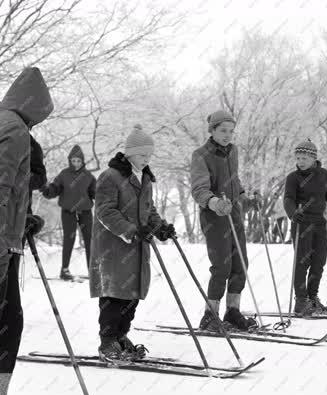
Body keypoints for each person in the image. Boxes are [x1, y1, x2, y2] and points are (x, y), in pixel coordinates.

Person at [89, 125, 175, 362]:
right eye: (142, 155)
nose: (146, 159)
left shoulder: (145, 177)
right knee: (115, 294)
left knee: (132, 295)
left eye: (149, 155)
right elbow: (105, 211)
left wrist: (160, 228)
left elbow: (149, 210)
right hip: (115, 247)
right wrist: (130, 231)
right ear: (128, 153)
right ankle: (108, 342)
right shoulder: (110, 177)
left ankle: (121, 336)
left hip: (137, 247)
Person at [0, 67, 53, 395]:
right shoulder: (16, 131)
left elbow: (12, 191)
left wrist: (23, 219)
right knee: (7, 325)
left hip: (7, 238)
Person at [190, 110, 257, 332]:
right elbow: (199, 190)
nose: (227, 135)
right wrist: (215, 203)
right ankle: (210, 315)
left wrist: (244, 197)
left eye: (231, 131)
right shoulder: (201, 155)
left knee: (240, 264)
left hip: (233, 213)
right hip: (214, 216)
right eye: (222, 130)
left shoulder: (233, 151)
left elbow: (234, 179)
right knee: (222, 266)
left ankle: (232, 311)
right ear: (212, 130)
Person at [283, 139, 327, 316]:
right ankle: (301, 301)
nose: (300, 162)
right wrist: (292, 213)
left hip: (319, 223)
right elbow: (288, 199)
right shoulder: (293, 178)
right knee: (302, 262)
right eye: (298, 158)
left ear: (313, 158)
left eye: (304, 158)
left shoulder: (323, 175)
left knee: (319, 262)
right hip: (301, 223)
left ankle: (312, 298)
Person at [41, 145, 96, 280]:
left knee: (90, 240)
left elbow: (95, 193)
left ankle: (92, 271)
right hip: (68, 212)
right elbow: (55, 188)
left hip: (85, 212)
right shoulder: (64, 174)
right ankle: (64, 270)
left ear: (82, 161)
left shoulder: (88, 176)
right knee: (69, 239)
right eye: (73, 161)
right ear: (69, 161)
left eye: (79, 161)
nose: (76, 163)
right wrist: (47, 190)